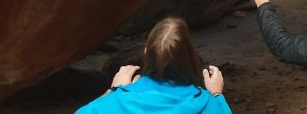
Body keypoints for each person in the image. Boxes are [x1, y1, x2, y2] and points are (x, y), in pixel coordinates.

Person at [76, 17, 231, 113]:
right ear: (191, 57)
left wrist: (114, 91)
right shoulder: (207, 104)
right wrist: (216, 94)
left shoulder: (118, 100)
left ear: (145, 53)